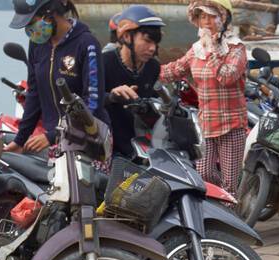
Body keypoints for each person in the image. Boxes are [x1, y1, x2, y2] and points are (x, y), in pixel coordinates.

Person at [159, 0, 249, 192]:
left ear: (224, 18)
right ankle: (217, 206)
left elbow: (227, 76)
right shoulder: (196, 49)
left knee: (230, 184)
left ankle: (230, 216)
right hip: (206, 124)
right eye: (202, 16)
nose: (206, 21)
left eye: (212, 16)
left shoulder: (236, 48)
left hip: (231, 125)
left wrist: (212, 49)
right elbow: (175, 69)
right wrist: (145, 71)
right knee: (204, 174)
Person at [7, 0, 107, 155]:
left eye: (32, 23)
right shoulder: (36, 44)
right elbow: (34, 93)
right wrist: (19, 140)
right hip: (56, 142)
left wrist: (53, 135)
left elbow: (93, 103)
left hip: (90, 141)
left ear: (49, 14)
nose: (29, 29)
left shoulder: (87, 44)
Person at [102, 5, 163, 158]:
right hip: (105, 148)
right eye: (147, 41)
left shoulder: (153, 67)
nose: (152, 49)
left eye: (155, 43)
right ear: (127, 37)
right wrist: (111, 97)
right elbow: (87, 101)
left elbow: (154, 102)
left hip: (139, 148)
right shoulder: (104, 63)